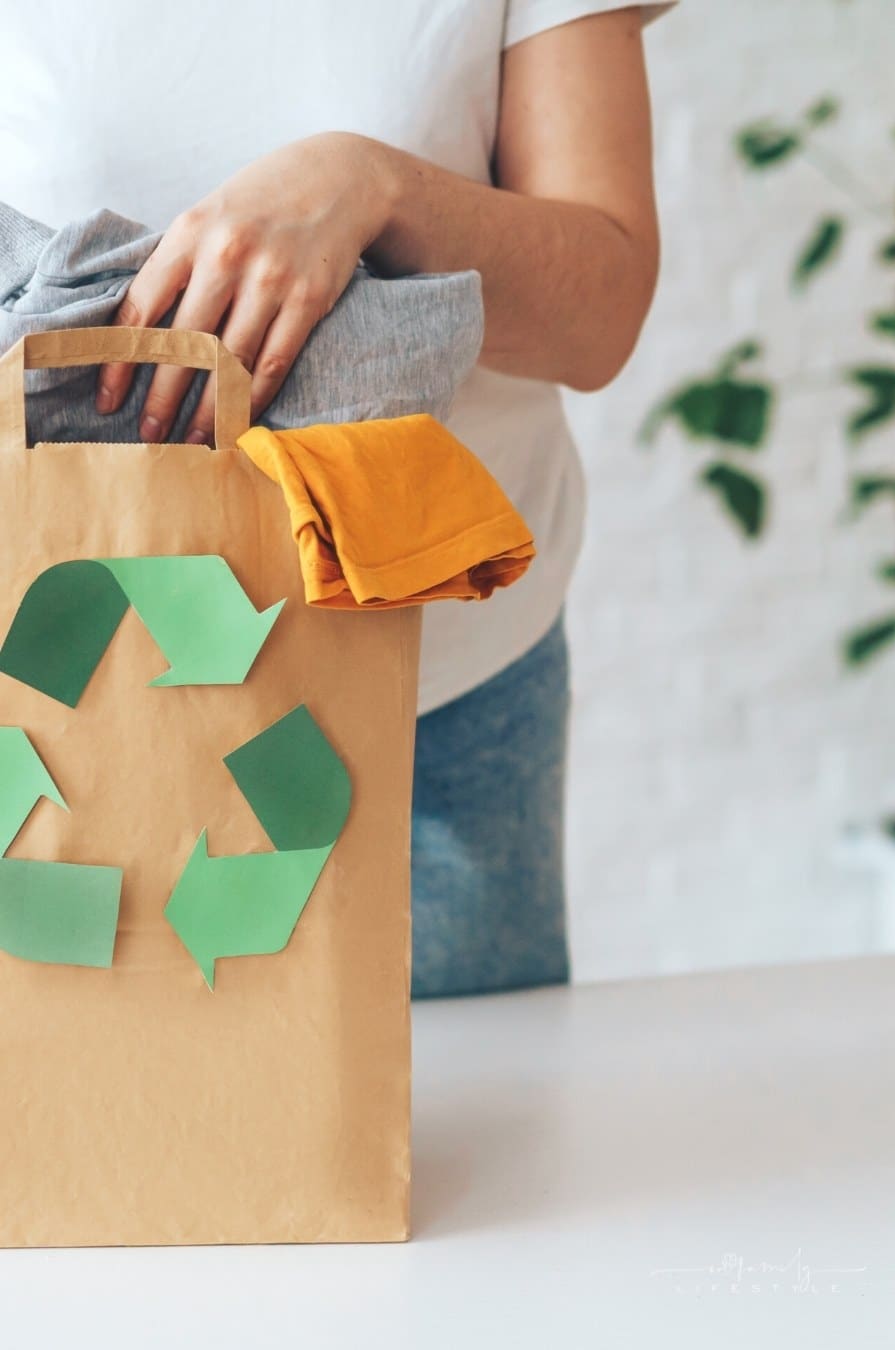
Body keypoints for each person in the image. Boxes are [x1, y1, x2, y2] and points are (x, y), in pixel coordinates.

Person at [0, 0, 674, 998]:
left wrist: (376, 186)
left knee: (466, 1127)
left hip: (427, 705)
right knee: (88, 1129)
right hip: (56, 696)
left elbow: (599, 316)